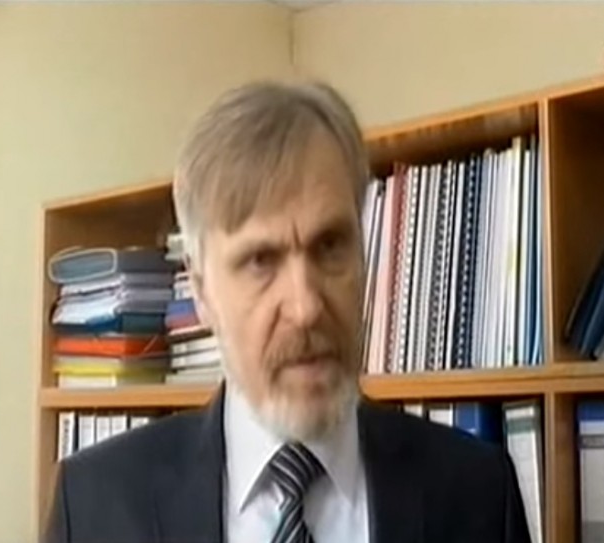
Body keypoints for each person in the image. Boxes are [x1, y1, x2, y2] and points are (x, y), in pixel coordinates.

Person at [43, 80, 532, 543]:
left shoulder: (479, 492)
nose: (305, 308)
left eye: (330, 245)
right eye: (260, 260)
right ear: (202, 290)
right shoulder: (92, 506)